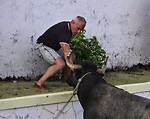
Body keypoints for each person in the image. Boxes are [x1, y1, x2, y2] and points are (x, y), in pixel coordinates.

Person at [34, 16, 86, 89]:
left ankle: (65, 80)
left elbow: (68, 53)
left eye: (81, 30)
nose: (78, 32)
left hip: (51, 48)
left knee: (72, 56)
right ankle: (39, 83)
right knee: (60, 64)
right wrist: (73, 68)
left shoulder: (69, 29)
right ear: (72, 23)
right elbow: (66, 51)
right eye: (78, 28)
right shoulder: (64, 30)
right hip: (42, 46)